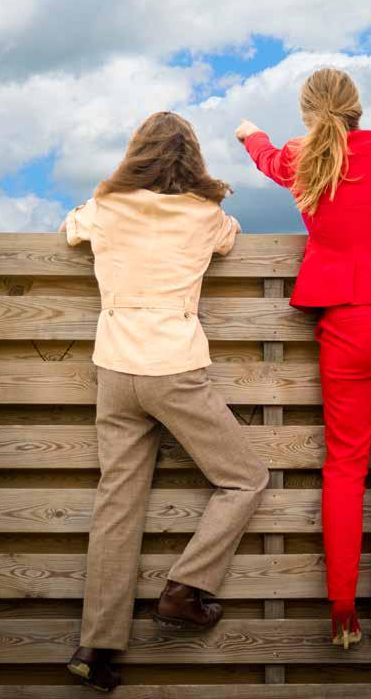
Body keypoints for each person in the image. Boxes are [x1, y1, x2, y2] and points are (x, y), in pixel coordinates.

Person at [61, 111, 269, 690]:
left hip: (115, 368)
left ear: (135, 155)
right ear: (192, 161)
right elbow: (230, 239)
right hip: (174, 368)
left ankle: (96, 648)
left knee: (118, 502)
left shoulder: (105, 207)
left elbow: (71, 227)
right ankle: (184, 589)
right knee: (245, 478)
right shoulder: (204, 214)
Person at [236, 68, 371, 650]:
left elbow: (269, 158)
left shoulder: (303, 156)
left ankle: (343, 609)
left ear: (307, 113)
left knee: (346, 464)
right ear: (358, 107)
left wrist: (249, 134)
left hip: (348, 321)